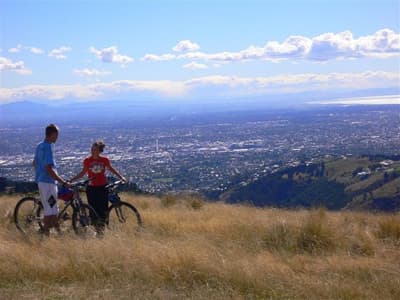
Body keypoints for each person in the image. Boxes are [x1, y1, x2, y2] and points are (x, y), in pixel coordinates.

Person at [70, 141, 126, 234]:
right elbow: (83, 172)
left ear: (99, 151)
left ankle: (102, 229)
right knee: (93, 209)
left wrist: (121, 177)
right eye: (92, 149)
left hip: (103, 187)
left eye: (95, 149)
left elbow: (111, 169)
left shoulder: (105, 160)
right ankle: (97, 230)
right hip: (91, 188)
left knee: (103, 209)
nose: (92, 151)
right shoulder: (87, 160)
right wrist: (72, 179)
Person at [33, 124, 69, 236]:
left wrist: (40, 174)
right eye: (56, 135)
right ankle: (43, 232)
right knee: (50, 209)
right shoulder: (48, 147)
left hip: (42, 181)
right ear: (52, 134)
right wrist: (62, 181)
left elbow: (34, 163)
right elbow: (49, 168)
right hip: (48, 183)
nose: (57, 137)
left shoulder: (39, 146)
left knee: (53, 208)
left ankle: (54, 233)